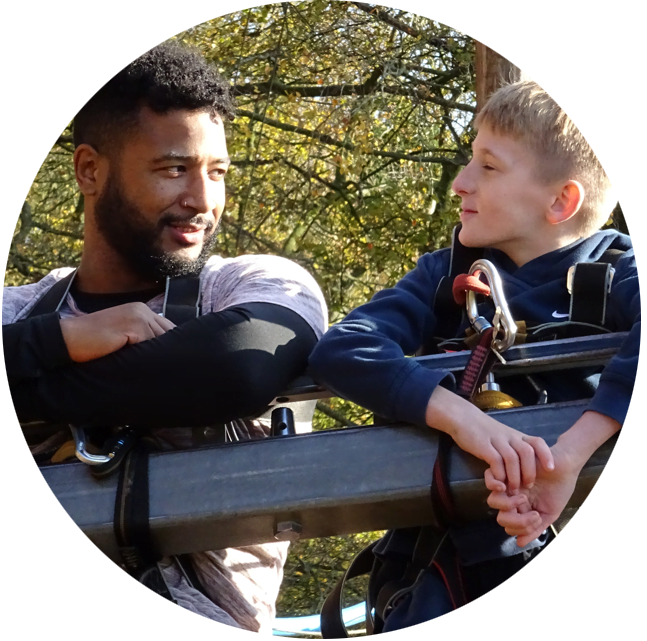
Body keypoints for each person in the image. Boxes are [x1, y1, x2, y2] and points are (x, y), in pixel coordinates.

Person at [3, 41, 327, 641]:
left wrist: (29, 377)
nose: (203, 202)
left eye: (217, 172)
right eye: (173, 169)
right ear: (89, 170)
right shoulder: (21, 310)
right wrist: (60, 338)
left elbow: (240, 366)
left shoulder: (253, 285)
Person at [308, 80, 646, 637]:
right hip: (450, 566)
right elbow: (343, 347)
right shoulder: (446, 279)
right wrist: (465, 421)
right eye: (470, 160)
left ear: (560, 201)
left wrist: (570, 454)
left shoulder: (618, 270)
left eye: (488, 167)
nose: (461, 182)